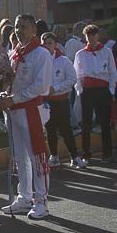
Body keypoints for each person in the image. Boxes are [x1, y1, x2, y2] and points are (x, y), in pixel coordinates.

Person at [0, 15, 53, 218]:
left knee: (37, 157)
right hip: (14, 113)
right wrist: (5, 95)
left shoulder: (41, 54)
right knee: (20, 158)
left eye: (24, 27)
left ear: (33, 31)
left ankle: (41, 201)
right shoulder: (14, 54)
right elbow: (9, 81)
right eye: (17, 26)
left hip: (31, 112)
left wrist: (15, 98)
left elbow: (41, 86)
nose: (19, 30)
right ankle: (24, 197)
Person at [73, 24, 116, 165]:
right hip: (87, 91)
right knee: (86, 124)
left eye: (93, 35)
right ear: (85, 37)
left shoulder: (107, 52)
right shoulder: (80, 54)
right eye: (88, 36)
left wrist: (111, 90)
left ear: (98, 36)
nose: (91, 38)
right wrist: (80, 90)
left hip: (103, 90)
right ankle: (86, 154)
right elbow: (77, 75)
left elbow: (112, 72)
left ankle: (107, 153)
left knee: (104, 123)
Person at [41, 32, 80, 168]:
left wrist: (55, 88)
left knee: (66, 130)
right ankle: (54, 156)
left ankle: (74, 157)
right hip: (46, 102)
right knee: (50, 130)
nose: (47, 46)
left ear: (55, 45)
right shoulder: (40, 62)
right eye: (44, 43)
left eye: (50, 43)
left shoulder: (63, 60)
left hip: (61, 100)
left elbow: (72, 79)